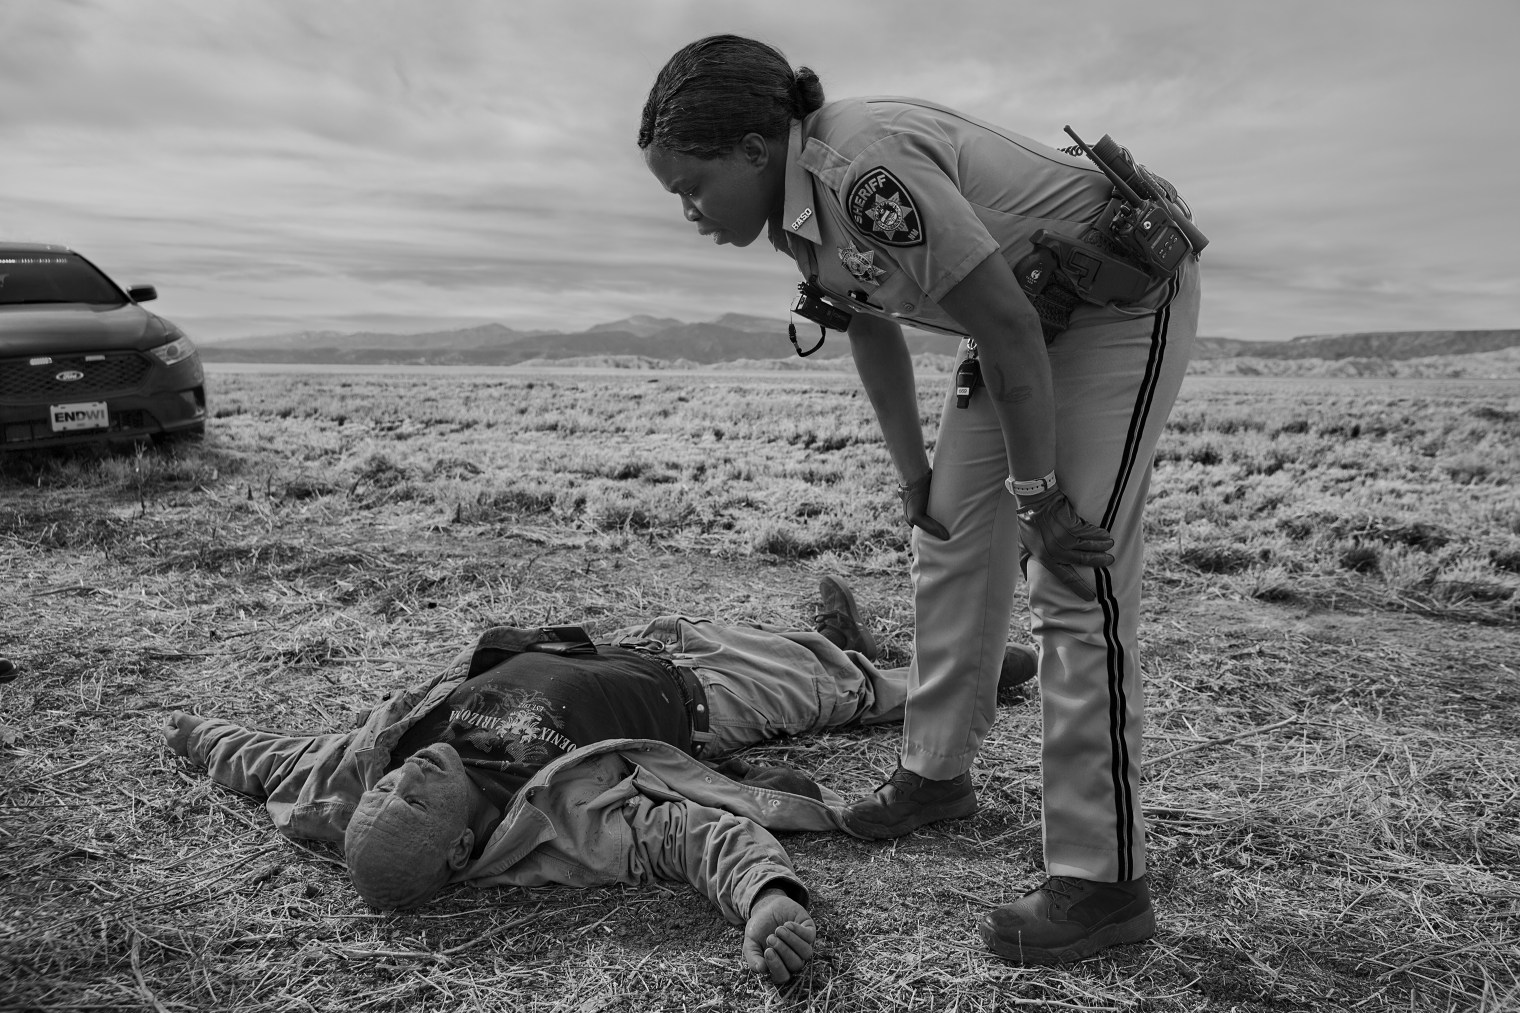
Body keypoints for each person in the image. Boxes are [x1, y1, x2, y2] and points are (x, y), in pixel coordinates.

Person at [638, 36, 1204, 965]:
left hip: (1114, 304)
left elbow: (1009, 327)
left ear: (753, 145)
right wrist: (916, 480)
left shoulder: (861, 168)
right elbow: (869, 328)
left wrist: (1042, 497)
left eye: (691, 184)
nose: (690, 210)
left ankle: (1103, 883)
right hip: (1026, 314)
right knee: (945, 535)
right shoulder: (795, 209)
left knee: (1072, 575)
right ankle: (935, 775)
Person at [162, 576, 1037, 985]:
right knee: (847, 690)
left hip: (630, 638)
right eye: (415, 802)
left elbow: (275, 759)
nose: (405, 777)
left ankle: (838, 632)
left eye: (388, 790)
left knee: (784, 638)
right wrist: (770, 899)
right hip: (702, 697)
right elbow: (693, 837)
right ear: (463, 843)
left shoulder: (376, 766)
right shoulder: (565, 822)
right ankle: (948, 670)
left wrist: (200, 733)